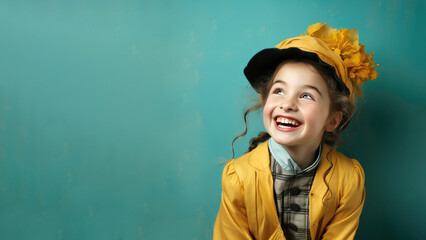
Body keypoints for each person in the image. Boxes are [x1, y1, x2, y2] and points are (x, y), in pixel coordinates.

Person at [213, 23, 379, 240]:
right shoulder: (239, 177)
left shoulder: (348, 180)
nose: (287, 104)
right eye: (279, 90)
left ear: (332, 120)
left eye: (306, 95)